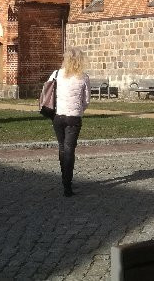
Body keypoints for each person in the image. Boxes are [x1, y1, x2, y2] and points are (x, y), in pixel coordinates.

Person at [52, 47, 90, 197]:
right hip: (73, 117)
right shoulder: (83, 77)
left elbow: (47, 91)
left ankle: (64, 179)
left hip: (58, 115)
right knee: (69, 149)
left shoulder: (56, 74)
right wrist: (79, 109)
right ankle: (68, 184)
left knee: (62, 147)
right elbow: (86, 101)